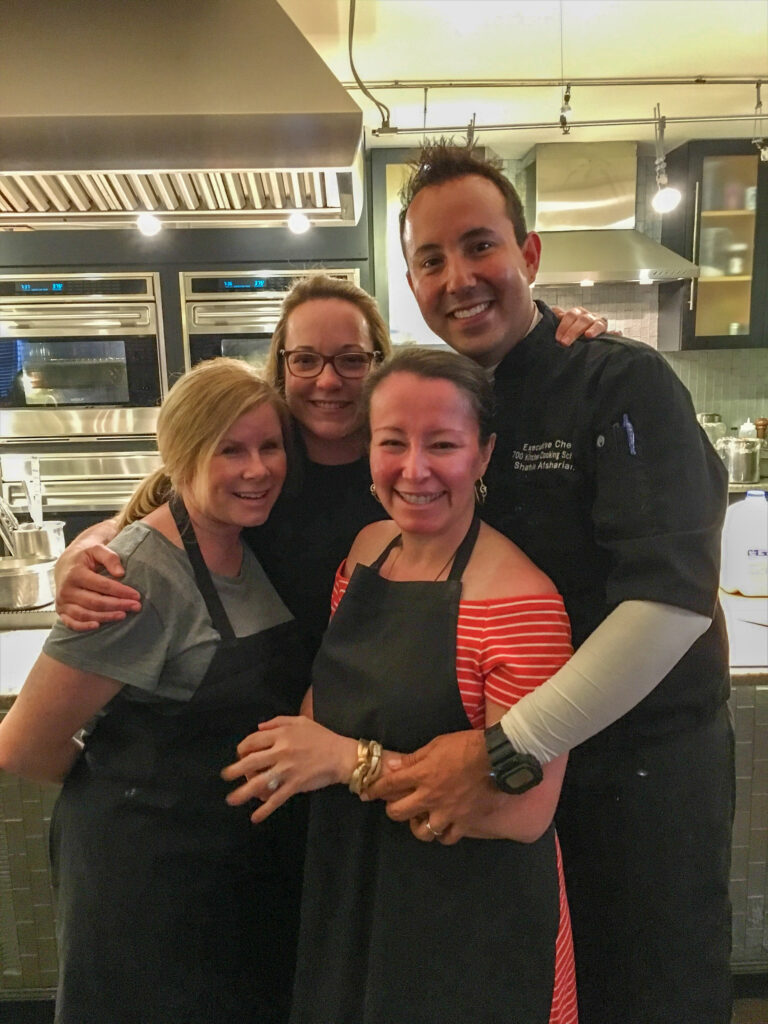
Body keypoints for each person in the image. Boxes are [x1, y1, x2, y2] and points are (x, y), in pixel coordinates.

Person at [361, 143, 734, 1024]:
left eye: (480, 245)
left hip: (633, 776)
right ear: (411, 282)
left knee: (647, 989)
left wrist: (508, 745)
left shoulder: (620, 380)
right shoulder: (451, 400)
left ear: (528, 257)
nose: (459, 277)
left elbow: (672, 600)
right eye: (431, 258)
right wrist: (117, 534)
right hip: (518, 787)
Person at [223, 346, 578, 1024]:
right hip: (357, 883)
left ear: (483, 454)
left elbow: (524, 812)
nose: (414, 470)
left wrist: (346, 762)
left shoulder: (520, 601)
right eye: (392, 443)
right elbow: (326, 705)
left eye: (442, 444)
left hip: (475, 918)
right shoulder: (365, 552)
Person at [53, 274, 609, 654]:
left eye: (350, 360)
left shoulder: (411, 468)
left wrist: (553, 337)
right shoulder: (260, 465)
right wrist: (83, 553)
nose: (327, 381)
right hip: (266, 714)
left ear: (377, 364)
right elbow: (163, 508)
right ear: (283, 365)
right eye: (306, 360)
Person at [0, 358, 311, 1024]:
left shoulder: (245, 541)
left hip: (227, 867)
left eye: (269, 446)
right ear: (180, 453)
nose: (257, 469)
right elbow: (23, 745)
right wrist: (138, 789)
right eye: (230, 449)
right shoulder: (139, 571)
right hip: (147, 879)